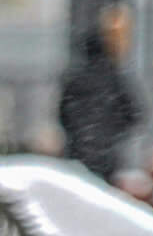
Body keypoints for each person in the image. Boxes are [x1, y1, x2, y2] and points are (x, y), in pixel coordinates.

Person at [57, 26, 145, 178]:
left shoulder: (75, 80)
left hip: (78, 150)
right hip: (106, 153)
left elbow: (62, 114)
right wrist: (114, 133)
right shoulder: (115, 80)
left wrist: (77, 133)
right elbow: (134, 114)